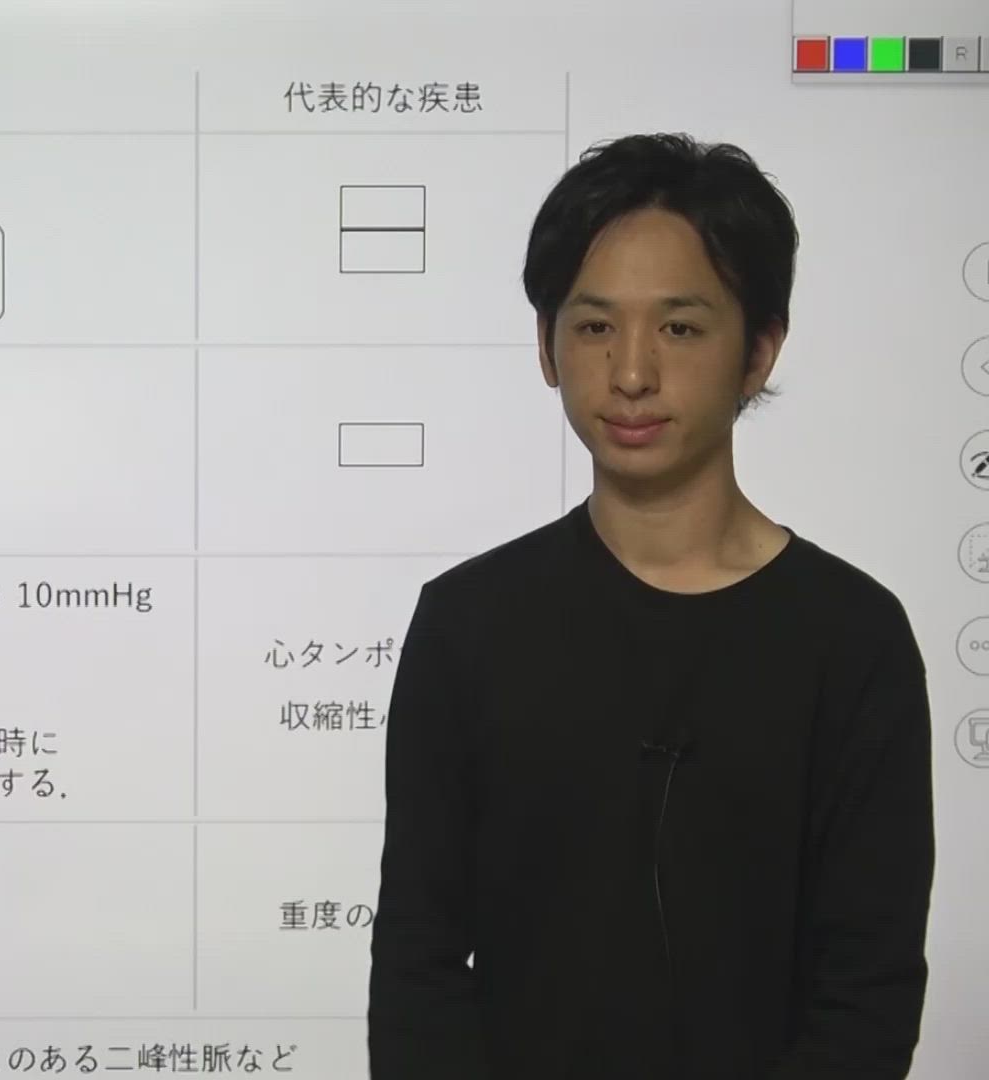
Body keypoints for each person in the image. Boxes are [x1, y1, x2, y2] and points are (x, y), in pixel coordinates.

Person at [365, 133, 936, 1079]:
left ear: (759, 350)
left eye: (680, 328)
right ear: (546, 346)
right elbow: (417, 971)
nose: (631, 373)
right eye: (594, 327)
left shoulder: (853, 638)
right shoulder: (468, 624)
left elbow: (867, 1000)